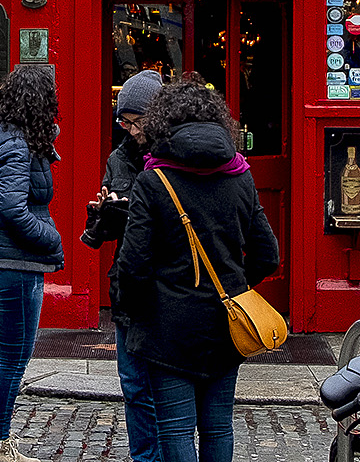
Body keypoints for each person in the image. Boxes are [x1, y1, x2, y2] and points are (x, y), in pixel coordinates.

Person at [113, 77, 281, 462]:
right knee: (218, 426)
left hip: (166, 326)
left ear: (161, 122)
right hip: (225, 321)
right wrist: (235, 284)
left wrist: (135, 312)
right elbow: (267, 255)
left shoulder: (153, 180)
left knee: (175, 430)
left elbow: (133, 264)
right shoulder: (241, 175)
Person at [0, 64, 64, 462]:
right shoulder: (18, 146)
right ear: (39, 102)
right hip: (16, 262)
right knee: (12, 359)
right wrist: (53, 237)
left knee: (12, 356)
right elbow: (12, 210)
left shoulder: (7, 138)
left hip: (11, 261)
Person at [84, 71, 163, 462]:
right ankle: (144, 457)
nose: (129, 130)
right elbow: (106, 231)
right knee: (133, 386)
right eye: (124, 122)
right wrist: (104, 211)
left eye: (136, 122)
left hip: (168, 288)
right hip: (128, 286)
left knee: (166, 389)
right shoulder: (119, 157)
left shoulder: (176, 157)